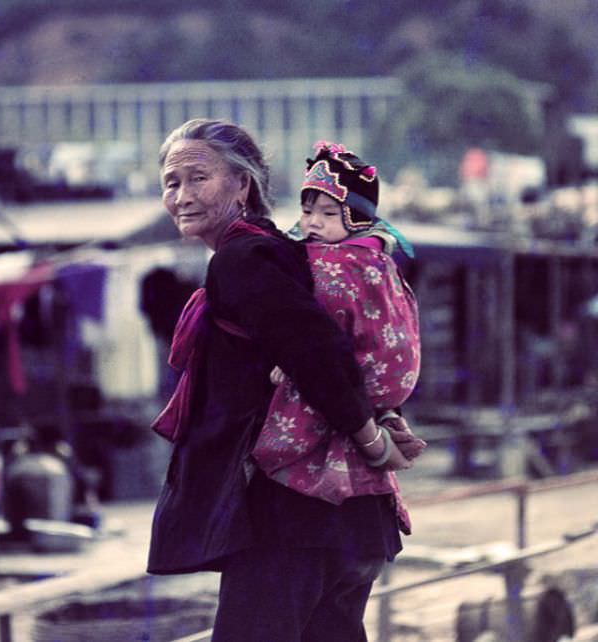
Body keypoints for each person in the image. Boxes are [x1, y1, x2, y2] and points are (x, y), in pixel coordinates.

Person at [147, 119, 412, 642]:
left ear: (242, 185)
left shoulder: (243, 258)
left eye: (197, 178)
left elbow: (318, 349)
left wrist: (370, 438)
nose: (181, 195)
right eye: (170, 182)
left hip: (289, 516)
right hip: (337, 517)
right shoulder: (278, 250)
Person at [253, 141, 425, 514]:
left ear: (357, 218)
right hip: (378, 394)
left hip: (351, 385)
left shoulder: (336, 268)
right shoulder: (378, 258)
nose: (312, 222)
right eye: (306, 210)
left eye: (329, 213)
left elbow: (319, 332)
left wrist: (291, 355)